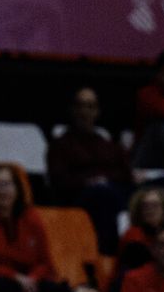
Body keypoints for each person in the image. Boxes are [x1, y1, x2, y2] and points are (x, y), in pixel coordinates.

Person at [47, 88, 132, 254]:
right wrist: (89, 181)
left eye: (90, 106)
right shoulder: (60, 145)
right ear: (73, 110)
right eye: (81, 106)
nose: (85, 111)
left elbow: (125, 173)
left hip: (112, 192)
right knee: (101, 193)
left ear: (97, 112)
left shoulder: (108, 145)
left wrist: (103, 179)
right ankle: (105, 253)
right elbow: (59, 181)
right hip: (77, 199)